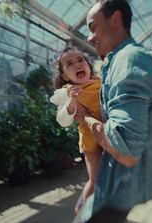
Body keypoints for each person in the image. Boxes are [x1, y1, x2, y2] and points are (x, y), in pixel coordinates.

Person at [72, 0, 152, 222]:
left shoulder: (128, 60)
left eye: (93, 27)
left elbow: (126, 150)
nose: (89, 38)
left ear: (115, 20)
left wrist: (84, 116)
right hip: (115, 186)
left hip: (118, 190)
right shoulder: (119, 62)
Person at [49, 47, 102, 213]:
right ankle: (86, 213)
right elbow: (63, 121)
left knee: (112, 176)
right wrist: (71, 103)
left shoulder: (100, 81)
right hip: (90, 141)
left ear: (88, 65)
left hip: (108, 133)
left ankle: (90, 208)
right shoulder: (66, 93)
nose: (77, 65)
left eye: (81, 60)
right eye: (69, 64)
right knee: (95, 181)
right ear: (65, 76)